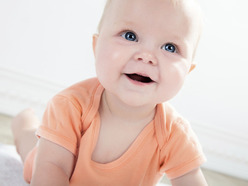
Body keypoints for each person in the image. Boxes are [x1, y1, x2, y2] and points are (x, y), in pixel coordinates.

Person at [11, 0, 208, 185]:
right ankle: (23, 122)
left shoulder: (174, 133)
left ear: (187, 71)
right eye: (130, 36)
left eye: (170, 47)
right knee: (30, 145)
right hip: (50, 160)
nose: (147, 57)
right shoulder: (71, 105)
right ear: (96, 47)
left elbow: (189, 178)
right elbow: (53, 166)